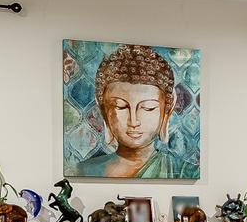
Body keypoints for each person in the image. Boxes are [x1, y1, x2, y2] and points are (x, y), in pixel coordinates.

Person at [72, 44, 189, 178]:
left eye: (148, 108)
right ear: (104, 109)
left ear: (167, 109)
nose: (134, 121)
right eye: (120, 106)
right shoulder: (82, 171)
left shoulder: (183, 172)